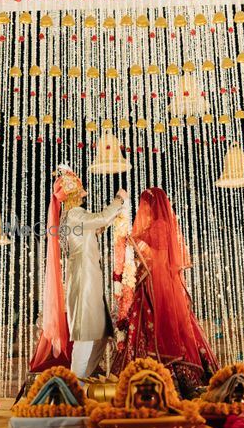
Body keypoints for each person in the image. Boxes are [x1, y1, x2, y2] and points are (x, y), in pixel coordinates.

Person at [111, 187, 218, 390]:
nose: (143, 209)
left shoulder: (160, 226)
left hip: (156, 286)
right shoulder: (156, 226)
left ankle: (170, 379)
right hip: (149, 284)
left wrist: (127, 236)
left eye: (145, 204)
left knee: (164, 328)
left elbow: (148, 253)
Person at [30, 164, 127, 379]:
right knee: (86, 336)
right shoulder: (75, 215)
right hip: (84, 280)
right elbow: (100, 219)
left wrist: (111, 217)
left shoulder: (71, 217)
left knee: (100, 335)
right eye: (81, 191)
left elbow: (95, 227)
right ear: (74, 195)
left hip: (86, 278)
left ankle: (80, 383)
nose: (84, 195)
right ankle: (75, 387)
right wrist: (118, 201)